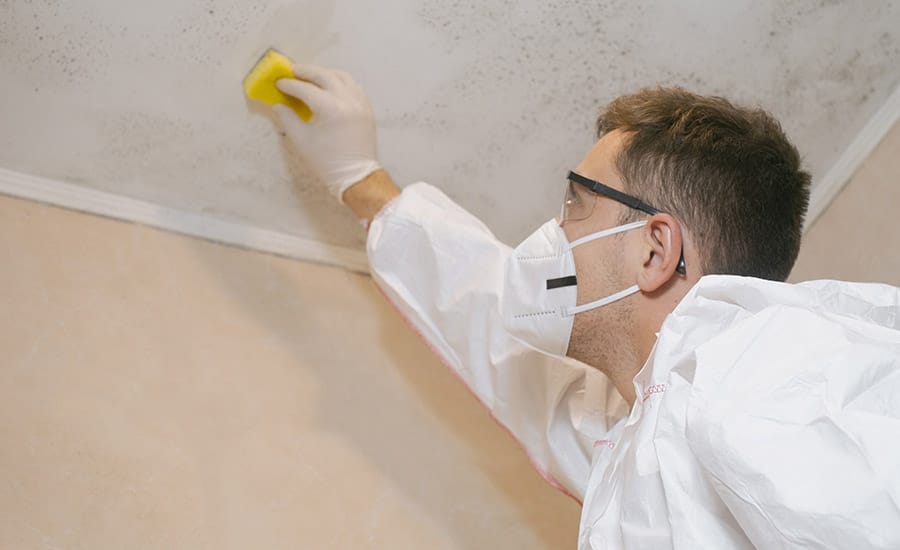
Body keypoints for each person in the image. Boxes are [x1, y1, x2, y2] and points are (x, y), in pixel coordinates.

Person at [267, 64, 900, 549]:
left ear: (655, 250)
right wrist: (360, 179)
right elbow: (494, 321)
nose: (554, 232)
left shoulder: (783, 370)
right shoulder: (640, 431)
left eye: (576, 204)